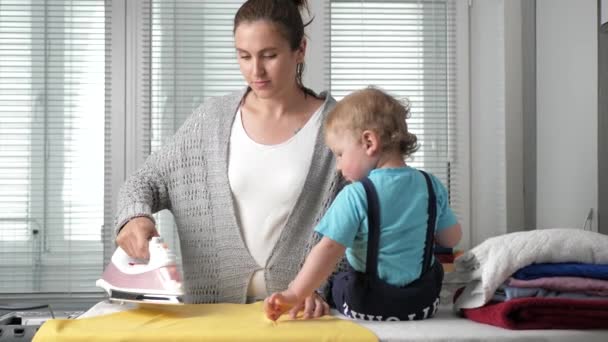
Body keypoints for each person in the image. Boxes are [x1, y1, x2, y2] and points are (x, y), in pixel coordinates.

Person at [114, 0, 344, 319]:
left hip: (302, 320)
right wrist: (134, 217)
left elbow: (368, 221)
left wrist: (316, 287)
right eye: (244, 56)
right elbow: (145, 181)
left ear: (300, 50)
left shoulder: (341, 126)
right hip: (214, 319)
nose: (256, 71)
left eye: (270, 55)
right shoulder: (213, 120)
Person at [264, 87, 462, 321]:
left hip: (367, 305)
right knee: (433, 267)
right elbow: (451, 239)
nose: (338, 166)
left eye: (339, 154)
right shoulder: (431, 185)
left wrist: (296, 292)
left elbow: (328, 250)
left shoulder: (356, 195)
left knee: (339, 280)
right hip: (421, 305)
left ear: (369, 142)